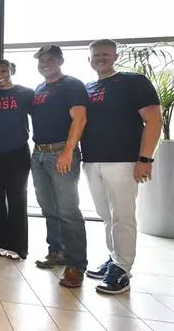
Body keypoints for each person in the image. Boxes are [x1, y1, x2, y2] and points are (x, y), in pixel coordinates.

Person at [81, 39, 162, 294]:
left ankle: (123, 269)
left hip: (123, 161)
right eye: (95, 55)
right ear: (89, 59)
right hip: (92, 161)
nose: (100, 58)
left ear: (115, 56)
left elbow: (154, 120)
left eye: (105, 54)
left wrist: (145, 159)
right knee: (106, 215)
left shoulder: (133, 82)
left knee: (123, 217)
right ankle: (113, 258)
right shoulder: (88, 87)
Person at [29, 45, 88, 288]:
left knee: (68, 210)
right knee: (49, 207)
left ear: (61, 60)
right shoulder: (40, 88)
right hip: (39, 153)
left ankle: (76, 265)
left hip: (61, 152)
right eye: (41, 60)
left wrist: (68, 151)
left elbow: (80, 118)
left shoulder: (72, 84)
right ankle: (57, 251)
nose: (45, 63)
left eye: (50, 59)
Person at [0, 60, 34, 260]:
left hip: (18, 152)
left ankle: (18, 246)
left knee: (17, 198)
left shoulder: (26, 93)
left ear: (12, 70)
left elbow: (40, 115)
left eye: (3, 70)